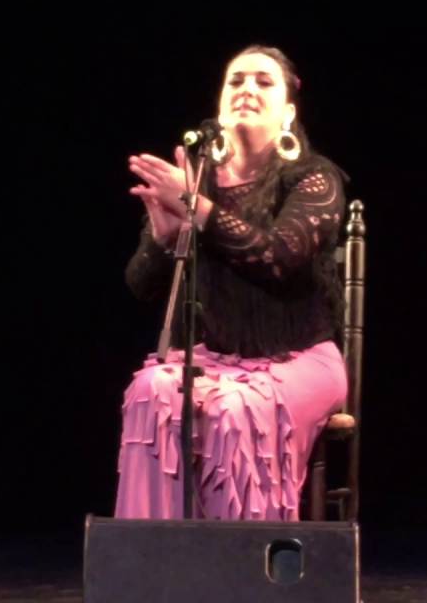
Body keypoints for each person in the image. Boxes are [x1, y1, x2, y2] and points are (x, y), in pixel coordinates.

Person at [117, 44, 348, 521]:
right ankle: (159, 558)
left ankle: (244, 562)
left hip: (299, 359)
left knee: (234, 410)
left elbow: (277, 257)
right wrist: (163, 240)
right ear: (220, 106)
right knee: (151, 391)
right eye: (236, 81)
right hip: (217, 361)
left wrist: (197, 210)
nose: (247, 89)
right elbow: (141, 286)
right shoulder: (198, 181)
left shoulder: (313, 178)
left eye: (264, 82)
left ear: (288, 112)